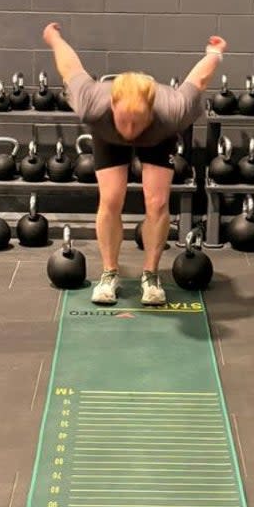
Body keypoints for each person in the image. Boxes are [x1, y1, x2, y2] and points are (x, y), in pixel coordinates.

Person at [43, 22, 226, 306]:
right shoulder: (93, 102)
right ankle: (109, 274)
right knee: (111, 199)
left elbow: (198, 80)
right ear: (113, 106)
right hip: (107, 137)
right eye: (124, 120)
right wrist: (55, 38)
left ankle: (151, 276)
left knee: (157, 203)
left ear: (150, 110)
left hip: (157, 139)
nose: (130, 129)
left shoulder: (171, 110)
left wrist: (214, 53)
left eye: (137, 121)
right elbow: (70, 68)